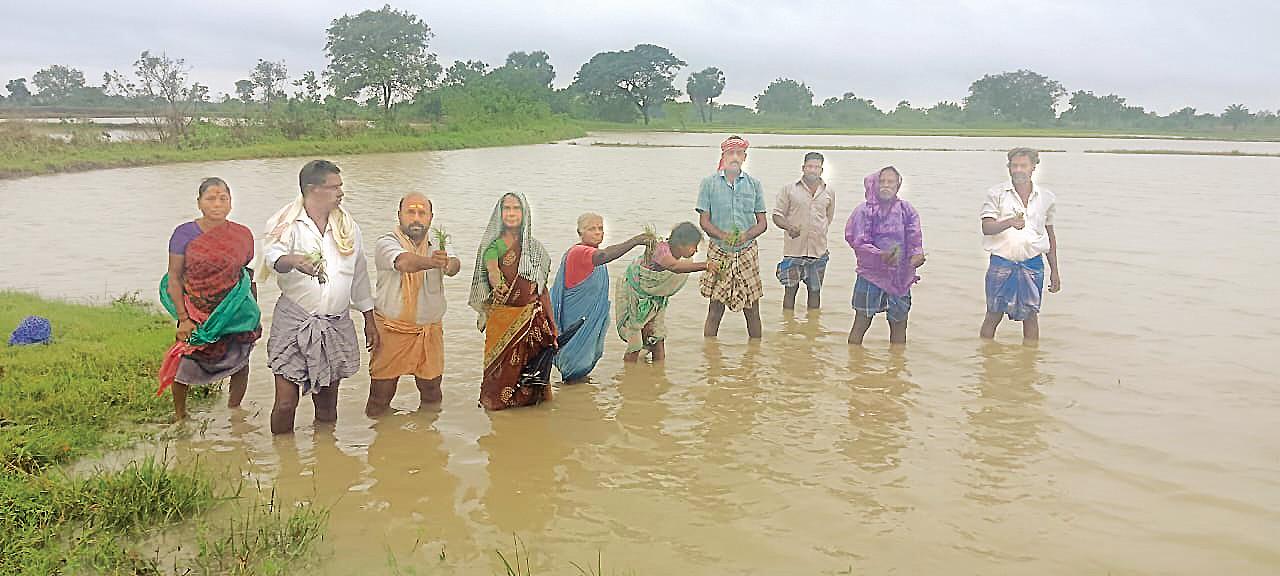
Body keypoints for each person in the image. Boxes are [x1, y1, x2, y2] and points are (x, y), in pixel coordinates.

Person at [260, 160, 379, 434]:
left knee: (327, 407)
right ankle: (284, 463)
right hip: (295, 322)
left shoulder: (348, 228)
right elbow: (273, 257)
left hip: (335, 323)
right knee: (286, 403)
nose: (341, 192)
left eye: (341, 186)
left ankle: (325, 462)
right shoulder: (285, 223)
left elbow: (359, 276)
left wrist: (369, 319)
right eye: (334, 187)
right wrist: (293, 260)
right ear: (313, 190)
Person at [157, 177, 261, 421]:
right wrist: (183, 319)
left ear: (231, 203)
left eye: (223, 199)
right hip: (197, 311)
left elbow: (246, 275)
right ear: (199, 203)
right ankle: (181, 417)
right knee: (185, 363)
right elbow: (174, 277)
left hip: (234, 311)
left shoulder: (242, 234)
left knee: (240, 361)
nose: (217, 204)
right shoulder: (184, 234)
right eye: (210, 199)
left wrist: (253, 313)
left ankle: (236, 413)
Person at [365, 193, 461, 417]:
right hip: (391, 330)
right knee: (381, 396)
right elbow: (403, 262)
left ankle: (427, 441)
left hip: (429, 330)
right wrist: (432, 262)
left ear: (430, 217)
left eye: (422, 213)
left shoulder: (439, 242)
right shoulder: (386, 242)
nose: (416, 218)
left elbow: (455, 266)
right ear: (399, 215)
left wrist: (449, 264)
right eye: (410, 212)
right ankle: (379, 443)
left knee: (432, 392)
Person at [468, 192, 557, 410]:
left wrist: (553, 326)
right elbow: (491, 268)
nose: (511, 213)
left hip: (534, 322)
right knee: (498, 383)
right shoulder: (495, 246)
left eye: (516, 208)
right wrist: (498, 284)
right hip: (503, 321)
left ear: (525, 213)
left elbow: (542, 290)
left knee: (538, 380)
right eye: (506, 208)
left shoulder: (536, 250)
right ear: (499, 214)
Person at [549, 212, 648, 383]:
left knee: (582, 370)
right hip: (576, 320)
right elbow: (605, 255)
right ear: (580, 232)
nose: (597, 232)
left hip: (588, 318)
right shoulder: (579, 253)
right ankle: (573, 397)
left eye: (600, 228)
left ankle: (576, 394)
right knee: (574, 367)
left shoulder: (593, 255)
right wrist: (636, 241)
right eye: (591, 229)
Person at [979, 148, 1062, 342]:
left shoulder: (1046, 197)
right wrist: (1009, 222)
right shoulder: (997, 193)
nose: (1018, 170)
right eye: (1014, 166)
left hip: (1032, 264)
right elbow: (986, 227)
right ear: (1008, 168)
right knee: (993, 313)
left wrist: (1055, 271)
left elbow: (1050, 236)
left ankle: (1030, 360)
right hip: (1002, 262)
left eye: (1023, 166)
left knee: (1031, 316)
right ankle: (986, 361)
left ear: (1033, 167)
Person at [697, 135, 768, 338]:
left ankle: (755, 355)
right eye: (730, 153)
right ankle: (710, 359)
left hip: (746, 251)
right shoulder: (708, 183)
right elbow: (704, 221)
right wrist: (722, 235)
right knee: (715, 308)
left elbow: (762, 223)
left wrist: (745, 236)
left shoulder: (754, 184)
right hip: (719, 250)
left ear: (745, 157)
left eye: (739, 153)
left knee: (752, 308)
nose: (734, 157)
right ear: (723, 156)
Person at [845, 167, 925, 345]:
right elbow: (858, 241)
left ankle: (896, 365)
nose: (886, 186)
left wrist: (917, 256)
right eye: (882, 182)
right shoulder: (864, 211)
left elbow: (915, 238)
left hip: (899, 277)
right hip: (870, 275)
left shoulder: (906, 210)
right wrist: (881, 255)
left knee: (899, 324)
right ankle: (854, 365)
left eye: (891, 182)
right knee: (861, 322)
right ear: (874, 184)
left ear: (898, 185)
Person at [615, 222, 715, 362]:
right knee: (635, 344)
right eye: (694, 246)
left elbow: (678, 267)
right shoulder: (661, 250)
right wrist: (705, 266)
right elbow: (673, 266)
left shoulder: (677, 254)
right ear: (681, 244)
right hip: (637, 296)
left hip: (654, 299)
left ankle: (658, 375)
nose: (696, 251)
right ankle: (629, 376)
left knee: (658, 338)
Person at [772, 152, 836, 310]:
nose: (812, 170)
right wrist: (788, 227)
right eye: (809, 166)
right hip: (794, 250)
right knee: (790, 291)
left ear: (821, 170)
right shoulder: (789, 189)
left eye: (816, 167)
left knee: (815, 292)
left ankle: (812, 327)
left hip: (818, 252)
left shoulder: (829, 192)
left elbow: (828, 218)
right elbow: (777, 215)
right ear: (803, 168)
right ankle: (788, 327)